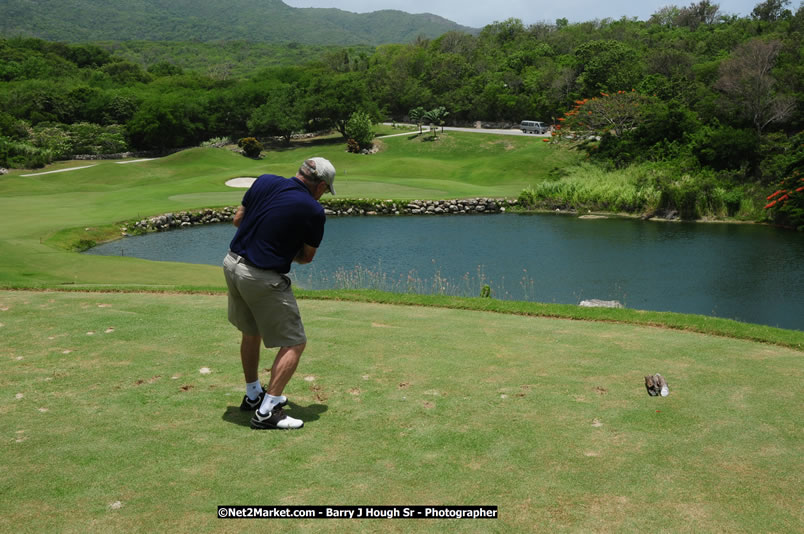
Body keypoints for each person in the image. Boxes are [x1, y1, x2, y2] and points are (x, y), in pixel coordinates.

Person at [223, 157, 335, 430]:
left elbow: (238, 220)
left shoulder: (264, 181)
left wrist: (266, 237)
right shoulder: (313, 210)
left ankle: (253, 395)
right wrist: (282, 247)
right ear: (321, 186)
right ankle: (268, 410)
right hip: (261, 277)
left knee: (251, 332)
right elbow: (306, 257)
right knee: (295, 342)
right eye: (325, 190)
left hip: (232, 264)